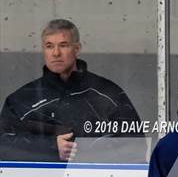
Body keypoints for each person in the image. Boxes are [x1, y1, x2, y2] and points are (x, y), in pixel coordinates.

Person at [0, 18, 146, 162]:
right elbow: (3, 146)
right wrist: (51, 148)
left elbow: (136, 147)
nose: (56, 53)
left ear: (77, 48)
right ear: (43, 49)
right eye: (49, 46)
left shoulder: (107, 93)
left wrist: (85, 153)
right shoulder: (21, 100)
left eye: (63, 45)